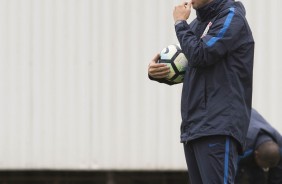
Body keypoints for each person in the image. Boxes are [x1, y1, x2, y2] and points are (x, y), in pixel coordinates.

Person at [148, 0, 254, 183]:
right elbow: (192, 67)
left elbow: (201, 54)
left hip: (218, 126)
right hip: (194, 127)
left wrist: (180, 24)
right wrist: (158, 72)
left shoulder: (231, 17)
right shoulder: (197, 24)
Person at [235, 109, 282, 184]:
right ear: (256, 154)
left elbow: (278, 175)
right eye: (265, 167)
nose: (266, 168)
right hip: (233, 114)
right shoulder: (242, 145)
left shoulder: (279, 144)